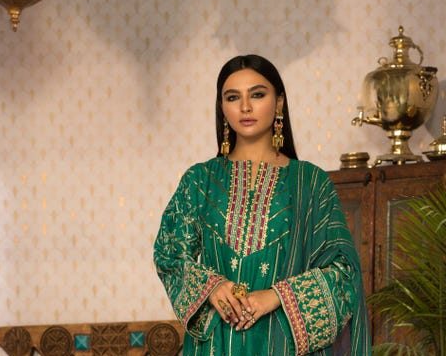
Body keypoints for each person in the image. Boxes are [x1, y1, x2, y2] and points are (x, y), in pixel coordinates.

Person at [153, 55, 370, 355]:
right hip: (217, 342)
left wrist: (276, 296)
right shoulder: (200, 180)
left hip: (283, 339)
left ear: (279, 102)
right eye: (233, 97)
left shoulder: (310, 182)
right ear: (222, 107)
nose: (245, 107)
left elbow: (344, 272)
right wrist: (211, 287)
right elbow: (170, 255)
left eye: (257, 95)